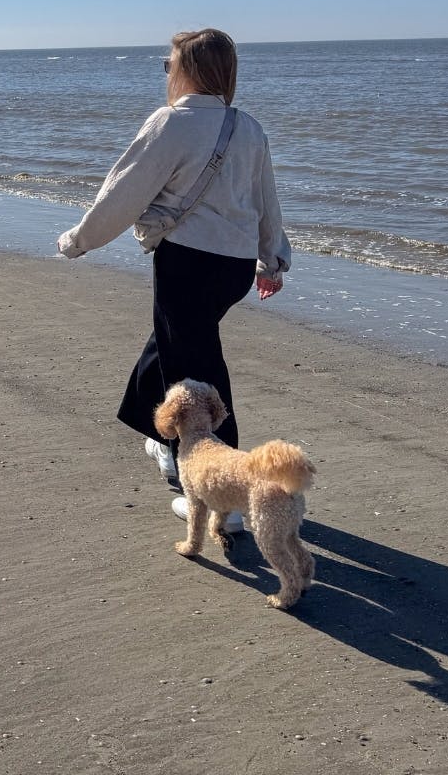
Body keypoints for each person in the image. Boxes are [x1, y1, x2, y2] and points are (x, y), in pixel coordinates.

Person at [57, 28, 291, 529]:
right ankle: (161, 437)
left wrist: (79, 239)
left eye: (169, 65)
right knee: (170, 343)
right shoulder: (247, 127)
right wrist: (272, 259)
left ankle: (227, 498)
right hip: (233, 268)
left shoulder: (171, 123)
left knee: (197, 368)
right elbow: (265, 197)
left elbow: (123, 192)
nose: (166, 72)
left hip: (189, 261)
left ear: (189, 70)